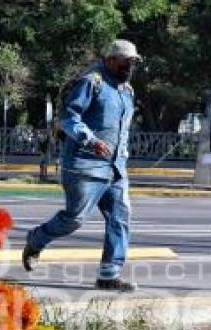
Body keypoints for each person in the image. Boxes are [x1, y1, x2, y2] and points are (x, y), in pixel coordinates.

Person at [22, 39, 141, 292]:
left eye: (133, 62)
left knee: (120, 218)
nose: (130, 66)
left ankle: (109, 275)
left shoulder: (127, 90)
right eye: (125, 61)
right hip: (85, 166)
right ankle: (36, 239)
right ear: (110, 59)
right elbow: (69, 118)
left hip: (116, 168)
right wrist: (91, 139)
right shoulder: (91, 82)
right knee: (74, 218)